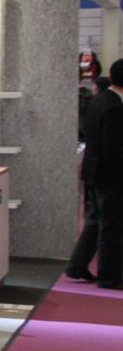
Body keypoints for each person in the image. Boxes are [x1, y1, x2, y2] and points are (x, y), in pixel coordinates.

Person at [67, 60, 123, 285]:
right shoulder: (115, 106)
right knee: (112, 225)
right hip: (111, 175)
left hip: (95, 171)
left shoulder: (100, 100)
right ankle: (109, 276)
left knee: (96, 221)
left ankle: (78, 265)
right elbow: (113, 148)